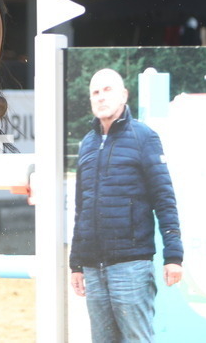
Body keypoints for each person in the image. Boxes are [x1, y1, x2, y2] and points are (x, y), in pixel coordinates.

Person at [69, 68, 183, 343]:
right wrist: (76, 263)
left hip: (131, 266)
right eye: (95, 92)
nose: (100, 97)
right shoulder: (87, 144)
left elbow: (164, 198)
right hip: (94, 268)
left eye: (107, 90)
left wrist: (174, 256)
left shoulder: (145, 137)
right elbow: (81, 208)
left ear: (123, 94)